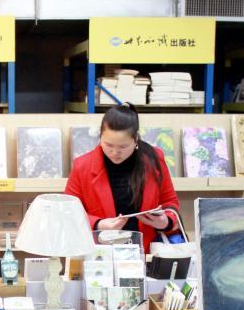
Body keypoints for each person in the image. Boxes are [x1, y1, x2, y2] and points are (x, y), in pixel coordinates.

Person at [65, 104, 181, 253]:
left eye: (123, 147)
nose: (115, 152)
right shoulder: (82, 167)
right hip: (101, 256)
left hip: (146, 254)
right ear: (100, 137)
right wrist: (98, 224)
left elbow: (170, 202)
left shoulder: (154, 160)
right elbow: (68, 213)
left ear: (136, 140)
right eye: (108, 145)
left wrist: (165, 221)